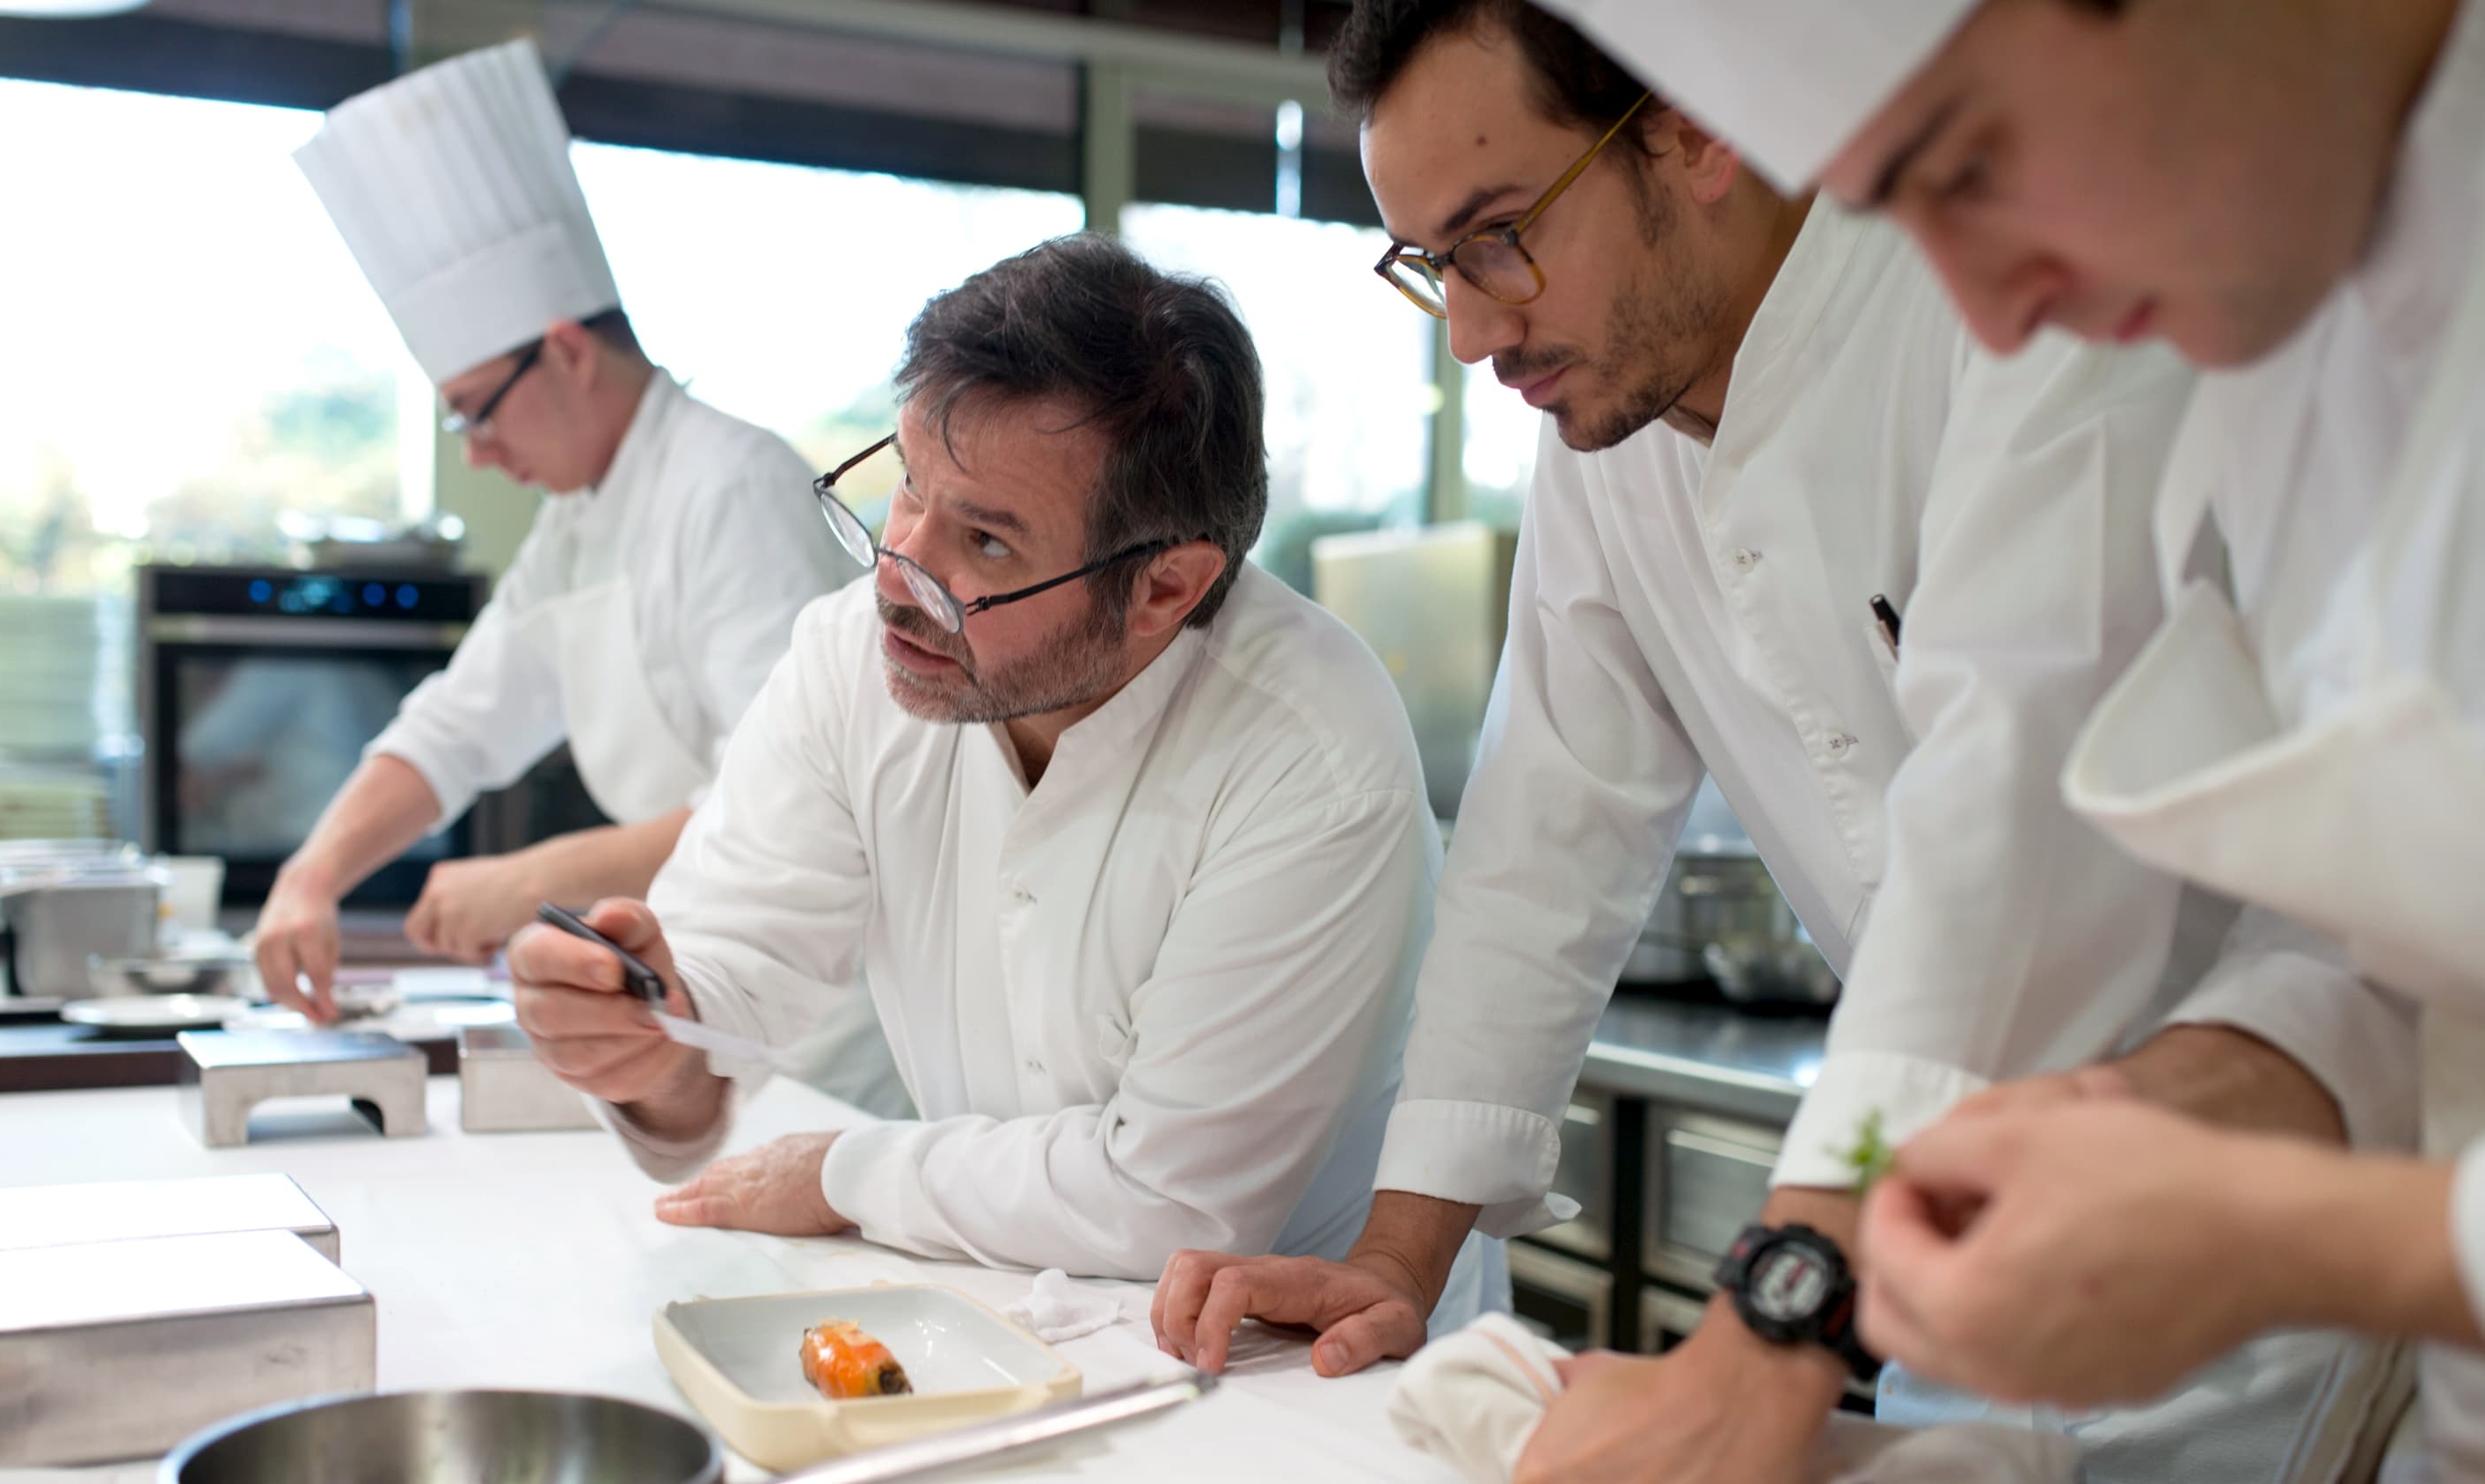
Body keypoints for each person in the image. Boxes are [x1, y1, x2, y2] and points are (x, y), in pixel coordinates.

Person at [1150, 6, 2393, 1482]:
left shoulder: (2013, 305)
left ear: (1695, 129)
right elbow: (1543, 844)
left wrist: (1772, 1322)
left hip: (2300, 1197)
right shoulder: (1606, 432)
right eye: (1433, 264)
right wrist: (1396, 1258)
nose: (1472, 333)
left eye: (1499, 237)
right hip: (1946, 1223)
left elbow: (2006, 826)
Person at [1531, 0, 2485, 1475]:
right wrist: (2161, 1100)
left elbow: (2012, 761)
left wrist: (2297, 1234)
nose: (1993, 315)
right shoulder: (2301, 315)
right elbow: (2393, 946)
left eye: (1969, 162)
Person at [500, 233, 1489, 1296]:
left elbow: (1171, 1200)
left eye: (985, 544)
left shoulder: (1310, 749)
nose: (896, 578)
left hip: (1297, 1359)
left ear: (1165, 588)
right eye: (907, 487)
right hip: (1000, 1313)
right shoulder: (848, 657)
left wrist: (842, 1173)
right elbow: (726, 982)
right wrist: (644, 1035)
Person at [251, 39, 855, 1021]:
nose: (479, 453)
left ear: (568, 352)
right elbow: (457, 725)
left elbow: (793, 801)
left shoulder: (733, 486)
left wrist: (534, 878)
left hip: (812, 1003)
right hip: (698, 985)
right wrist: (310, 875)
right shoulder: (578, 521)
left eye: (476, 412)